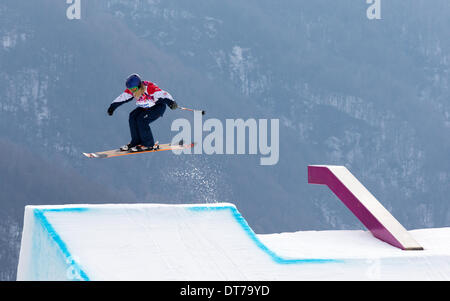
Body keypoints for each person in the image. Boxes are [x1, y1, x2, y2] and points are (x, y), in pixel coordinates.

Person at [107, 74, 178, 152]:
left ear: (139, 86)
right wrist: (112, 108)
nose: (132, 91)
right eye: (130, 89)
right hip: (146, 106)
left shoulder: (149, 88)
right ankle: (136, 141)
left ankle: (148, 144)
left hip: (158, 107)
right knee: (133, 116)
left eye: (133, 89)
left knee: (142, 120)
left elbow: (164, 94)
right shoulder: (131, 91)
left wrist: (171, 102)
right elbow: (122, 98)